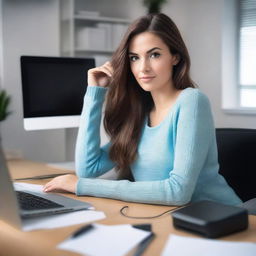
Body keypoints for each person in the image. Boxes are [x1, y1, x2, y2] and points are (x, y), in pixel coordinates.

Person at [43, 13, 242, 206]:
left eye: (154, 55)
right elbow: (88, 169)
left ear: (175, 57)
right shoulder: (138, 114)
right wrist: (94, 93)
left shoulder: (192, 101)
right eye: (134, 58)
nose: (143, 68)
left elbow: (178, 192)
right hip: (165, 220)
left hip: (222, 222)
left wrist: (82, 186)